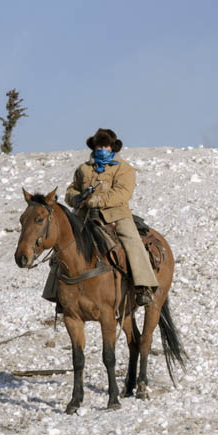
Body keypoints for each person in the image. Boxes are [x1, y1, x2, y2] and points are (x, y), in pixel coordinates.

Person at [65, 128, 158, 307]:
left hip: (115, 215)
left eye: (105, 145)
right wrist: (76, 197)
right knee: (62, 245)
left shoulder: (124, 169)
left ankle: (144, 286)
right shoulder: (83, 169)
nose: (102, 149)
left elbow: (123, 193)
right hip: (84, 216)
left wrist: (98, 200)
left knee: (131, 240)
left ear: (112, 147)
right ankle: (57, 292)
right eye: (99, 145)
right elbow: (71, 189)